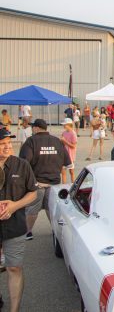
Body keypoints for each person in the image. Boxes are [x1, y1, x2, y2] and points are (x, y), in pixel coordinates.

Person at [0, 128, 38, 312]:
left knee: (14, 268)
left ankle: (14, 309)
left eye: (8, 143)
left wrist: (14, 206)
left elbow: (33, 192)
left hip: (14, 227)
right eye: (2, 144)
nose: (7, 147)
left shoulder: (22, 165)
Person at [19, 119, 73, 241]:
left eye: (33, 128)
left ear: (36, 128)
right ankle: (55, 231)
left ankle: (27, 232)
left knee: (32, 209)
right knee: (51, 207)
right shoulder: (57, 141)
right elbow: (68, 164)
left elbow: (23, 163)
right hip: (54, 183)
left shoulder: (31, 141)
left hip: (36, 183)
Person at [59, 118, 77, 183]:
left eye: (65, 125)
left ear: (69, 125)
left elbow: (74, 146)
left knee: (71, 172)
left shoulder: (73, 133)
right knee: (63, 172)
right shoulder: (64, 133)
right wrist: (61, 141)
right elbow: (62, 143)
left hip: (70, 155)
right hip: (63, 154)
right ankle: (64, 186)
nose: (63, 126)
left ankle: (73, 185)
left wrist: (64, 141)